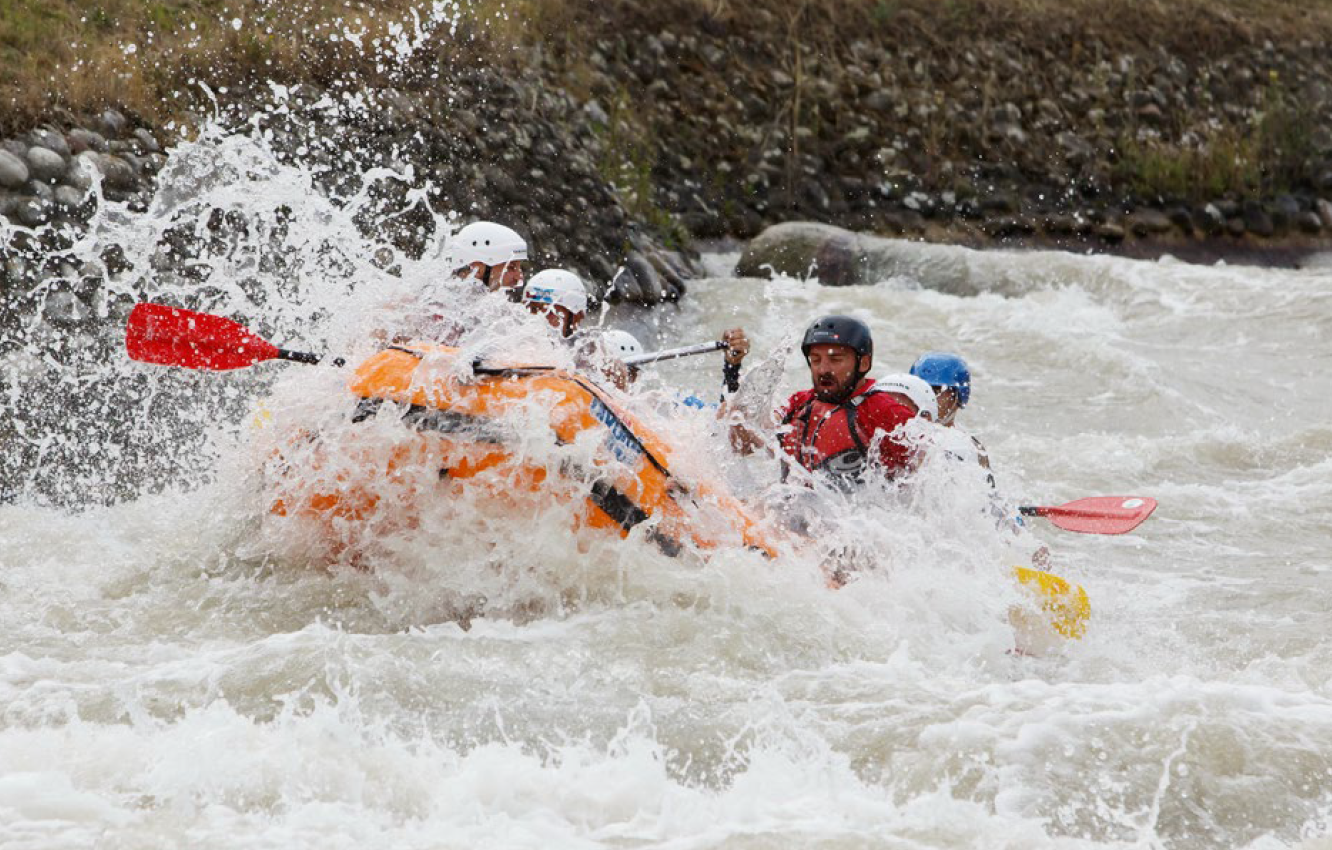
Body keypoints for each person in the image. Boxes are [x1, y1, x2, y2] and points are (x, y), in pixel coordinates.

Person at [728, 315, 921, 486]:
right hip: (793, 507)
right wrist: (734, 383)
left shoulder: (884, 411)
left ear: (863, 363)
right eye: (816, 360)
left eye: (835, 360)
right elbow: (746, 445)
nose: (823, 369)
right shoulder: (799, 403)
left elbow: (924, 471)